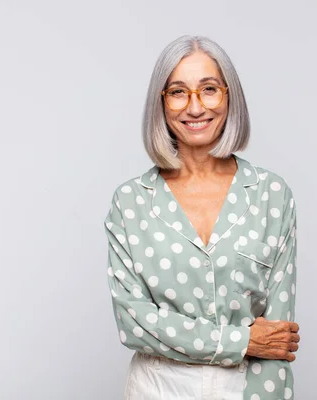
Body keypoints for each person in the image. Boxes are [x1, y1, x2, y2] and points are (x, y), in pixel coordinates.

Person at [104, 35, 299, 400]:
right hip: (157, 389)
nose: (195, 108)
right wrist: (242, 340)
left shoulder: (271, 195)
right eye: (178, 92)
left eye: (209, 89)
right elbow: (135, 324)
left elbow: (275, 340)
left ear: (230, 96)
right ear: (161, 104)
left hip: (244, 388)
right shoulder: (130, 203)